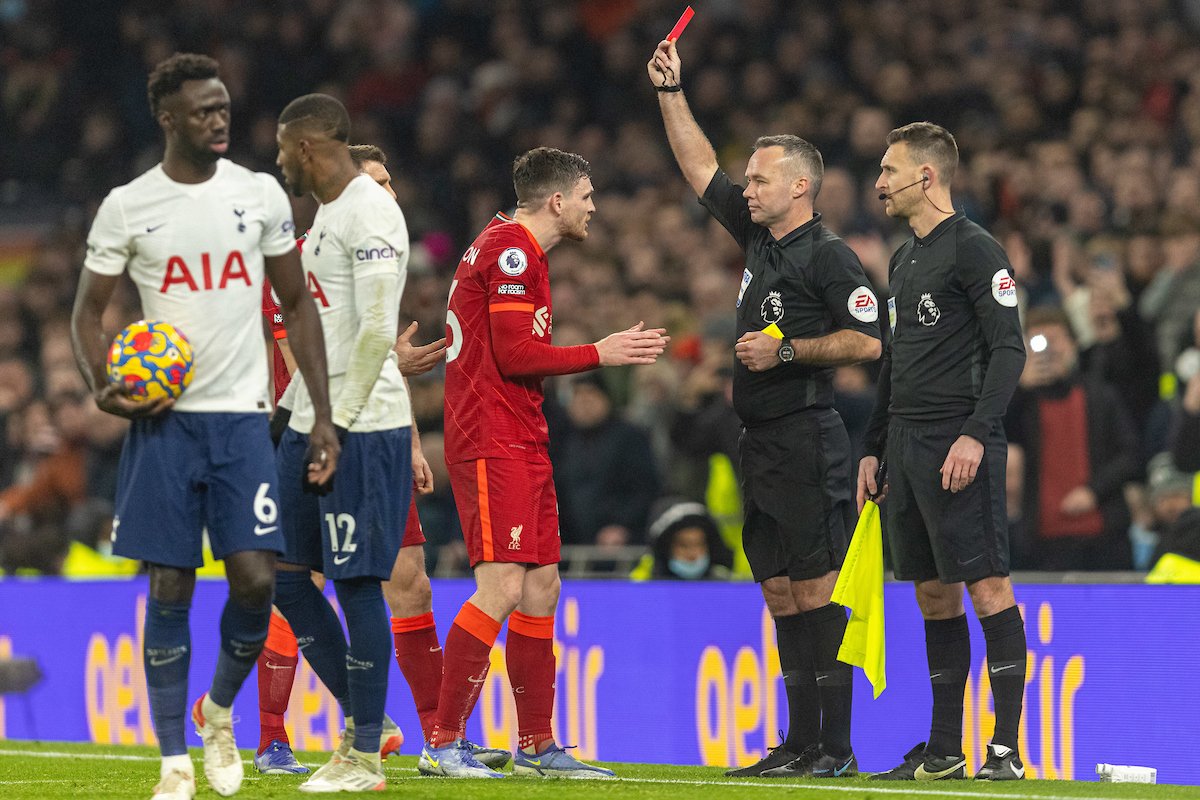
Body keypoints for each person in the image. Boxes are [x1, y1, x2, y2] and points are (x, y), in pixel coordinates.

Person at [69, 53, 337, 800]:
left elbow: (298, 304)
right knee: (171, 585)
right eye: (202, 110)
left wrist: (320, 413)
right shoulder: (129, 205)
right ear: (167, 117)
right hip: (164, 426)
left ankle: (217, 710)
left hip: (244, 422)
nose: (218, 119)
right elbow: (87, 314)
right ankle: (172, 762)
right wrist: (103, 387)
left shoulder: (257, 195)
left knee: (255, 582)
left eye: (223, 107)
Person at [648, 39, 882, 779]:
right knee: (780, 591)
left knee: (814, 589)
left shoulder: (829, 256)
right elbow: (697, 168)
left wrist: (785, 353)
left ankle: (836, 749)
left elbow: (870, 341)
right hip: (760, 444)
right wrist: (670, 92)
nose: (747, 188)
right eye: (748, 178)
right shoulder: (759, 239)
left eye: (761, 179)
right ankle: (798, 741)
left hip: (809, 439)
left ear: (801, 187)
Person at [253, 144, 508, 776]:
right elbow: (307, 370)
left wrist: (412, 446)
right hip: (322, 432)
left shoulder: (376, 257)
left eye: (391, 181)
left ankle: (439, 739)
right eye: (377, 183)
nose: (390, 193)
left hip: (374, 434)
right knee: (306, 580)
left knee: (409, 581)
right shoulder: (307, 260)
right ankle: (272, 735)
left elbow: (373, 362)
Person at [426, 146, 668, 778]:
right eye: (586, 195)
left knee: (541, 587)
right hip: (490, 436)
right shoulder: (512, 250)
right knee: (502, 586)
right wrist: (600, 352)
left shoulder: (513, 248)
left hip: (521, 436)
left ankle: (537, 744)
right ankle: (443, 740)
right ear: (557, 200)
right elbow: (513, 354)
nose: (593, 206)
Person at [858, 122, 1028, 781]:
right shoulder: (902, 259)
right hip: (904, 446)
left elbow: (1010, 348)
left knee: (987, 586)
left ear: (925, 177)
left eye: (888, 170)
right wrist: (875, 446)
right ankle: (944, 749)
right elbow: (892, 361)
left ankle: (1005, 750)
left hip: (959, 439)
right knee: (933, 595)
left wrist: (976, 433)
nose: (878, 184)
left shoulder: (976, 250)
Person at [270, 93, 409, 792]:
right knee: (284, 576)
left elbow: (378, 331)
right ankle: (369, 719)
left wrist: (338, 425)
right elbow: (322, 335)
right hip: (309, 420)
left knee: (355, 582)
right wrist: (294, 410)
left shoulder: (371, 213)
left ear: (306, 148)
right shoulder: (325, 215)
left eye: (280, 149)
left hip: (362, 424)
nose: (277, 162)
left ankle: (360, 756)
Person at [1005, 306, 1140, 570]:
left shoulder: (1101, 396)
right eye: (1039, 342)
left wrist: (1093, 491)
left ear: (1074, 344)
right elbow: (996, 438)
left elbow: (1132, 454)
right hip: (1042, 545)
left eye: (1056, 340)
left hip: (1104, 538)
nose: (1050, 351)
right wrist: (1019, 389)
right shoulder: (1022, 402)